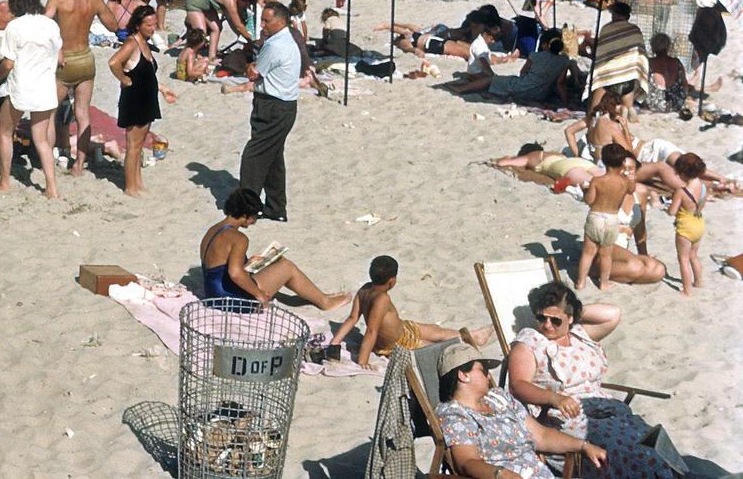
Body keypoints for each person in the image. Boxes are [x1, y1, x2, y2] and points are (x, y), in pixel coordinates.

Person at [507, 282, 673, 478]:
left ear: (570, 318)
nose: (547, 325)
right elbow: (518, 385)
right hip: (564, 417)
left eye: (556, 320)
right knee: (618, 450)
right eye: (541, 317)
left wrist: (572, 309)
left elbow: (613, 313)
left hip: (605, 409)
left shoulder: (580, 334)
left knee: (648, 440)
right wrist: (554, 398)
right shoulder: (530, 342)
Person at [440, 342, 607, 479]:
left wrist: (583, 446)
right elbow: (467, 462)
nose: (489, 375)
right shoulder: (455, 415)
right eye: (483, 370)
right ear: (463, 375)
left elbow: (541, 435)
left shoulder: (498, 398)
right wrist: (499, 474)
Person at [330, 255, 492, 369]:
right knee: (435, 345)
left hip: (405, 329)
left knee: (435, 329)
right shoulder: (382, 299)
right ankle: (472, 338)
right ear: (392, 281)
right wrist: (362, 362)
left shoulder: (364, 289)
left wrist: (334, 342)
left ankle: (474, 334)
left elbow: (352, 319)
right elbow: (371, 331)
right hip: (397, 343)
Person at [200, 189, 347, 309]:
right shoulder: (239, 238)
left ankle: (320, 296)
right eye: (255, 217)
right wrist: (260, 295)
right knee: (286, 267)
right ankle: (324, 302)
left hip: (213, 294)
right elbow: (235, 274)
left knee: (278, 260)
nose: (254, 222)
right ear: (245, 215)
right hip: (228, 299)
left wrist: (247, 263)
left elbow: (217, 268)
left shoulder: (212, 230)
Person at [45, 0, 118, 175]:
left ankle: (48, 158)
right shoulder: (93, 0)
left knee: (49, 112)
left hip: (64, 59)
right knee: (83, 113)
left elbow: (44, 24)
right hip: (85, 58)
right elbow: (113, 26)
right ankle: (78, 165)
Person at [0, 0, 62, 198]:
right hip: (45, 86)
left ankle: (4, 182)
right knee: (41, 140)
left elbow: (8, 63)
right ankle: (51, 187)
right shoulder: (50, 24)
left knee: (4, 132)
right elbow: (58, 53)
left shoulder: (15, 26)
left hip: (21, 87)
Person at [236, 2, 300, 222]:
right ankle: (275, 208)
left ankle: (246, 208)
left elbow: (254, 73)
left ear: (280, 21)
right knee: (273, 157)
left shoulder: (276, 45)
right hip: (282, 105)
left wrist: (250, 66)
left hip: (273, 105)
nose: (262, 25)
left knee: (253, 155)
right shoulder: (283, 40)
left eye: (266, 21)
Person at [108, 5, 176, 197]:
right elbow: (113, 62)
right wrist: (124, 79)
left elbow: (147, 75)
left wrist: (162, 89)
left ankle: (138, 182)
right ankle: (130, 186)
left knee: (140, 145)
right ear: (138, 25)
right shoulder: (131, 43)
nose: (152, 28)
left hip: (148, 98)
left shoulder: (146, 43)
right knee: (133, 145)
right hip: (134, 99)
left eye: (154, 24)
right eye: (148, 24)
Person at [576, 144, 637, 291]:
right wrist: (630, 177)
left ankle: (581, 282)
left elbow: (589, 201)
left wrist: (584, 189)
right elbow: (632, 189)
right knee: (606, 255)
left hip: (596, 216)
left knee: (587, 253)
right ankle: (604, 283)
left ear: (603, 160)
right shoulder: (624, 182)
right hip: (611, 219)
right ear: (622, 162)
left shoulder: (597, 181)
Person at [666, 153, 707, 297]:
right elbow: (702, 204)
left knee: (683, 259)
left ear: (683, 172)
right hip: (699, 223)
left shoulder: (681, 191)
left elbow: (672, 212)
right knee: (694, 256)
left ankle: (687, 291)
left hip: (685, 227)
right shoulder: (702, 186)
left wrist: (665, 206)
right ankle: (699, 282)